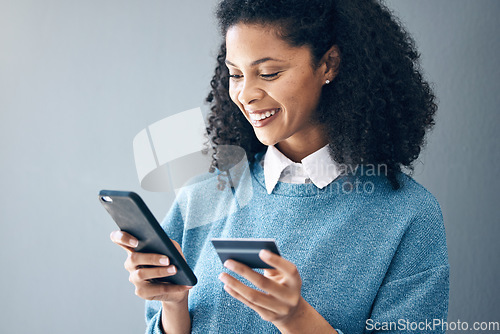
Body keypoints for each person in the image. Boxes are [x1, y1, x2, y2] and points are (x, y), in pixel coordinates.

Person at [111, 0, 449, 333]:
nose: (245, 94)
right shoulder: (201, 197)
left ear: (329, 64)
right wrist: (173, 304)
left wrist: (296, 319)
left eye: (269, 73)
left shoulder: (408, 215)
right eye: (235, 74)